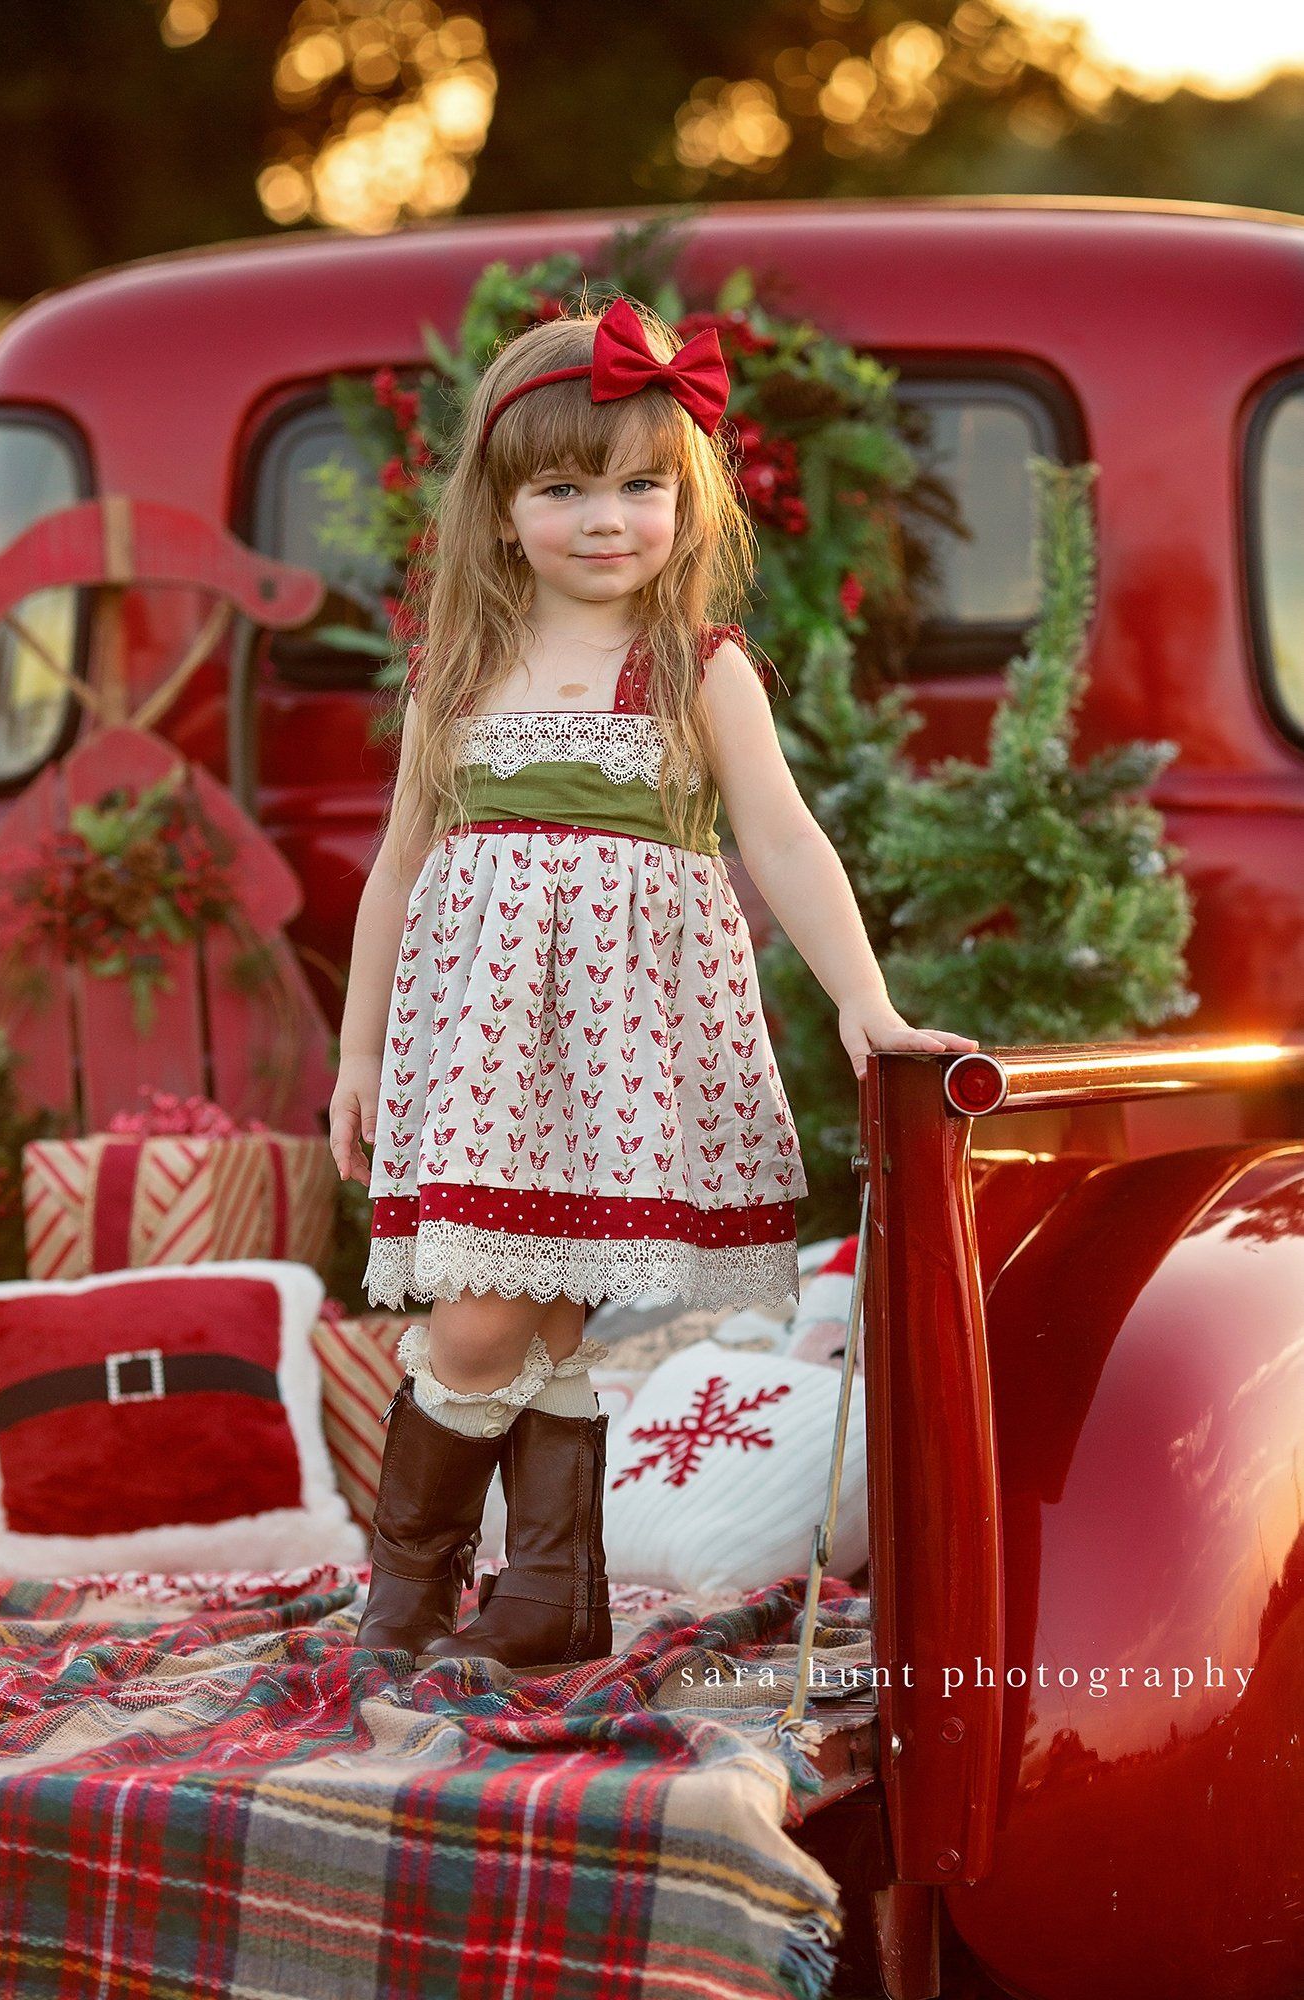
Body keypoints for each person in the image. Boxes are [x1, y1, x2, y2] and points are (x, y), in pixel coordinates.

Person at [330, 294, 978, 1678]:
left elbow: (784, 841)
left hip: (617, 1041)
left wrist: (865, 1003)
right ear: (503, 511)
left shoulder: (698, 671)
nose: (605, 519)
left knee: (549, 1306)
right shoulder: (457, 673)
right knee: (486, 1313)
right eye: (565, 489)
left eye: (639, 487)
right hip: (486, 1053)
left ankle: (544, 1597)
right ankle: (427, 1593)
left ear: (686, 502)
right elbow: (396, 870)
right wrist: (359, 1055)